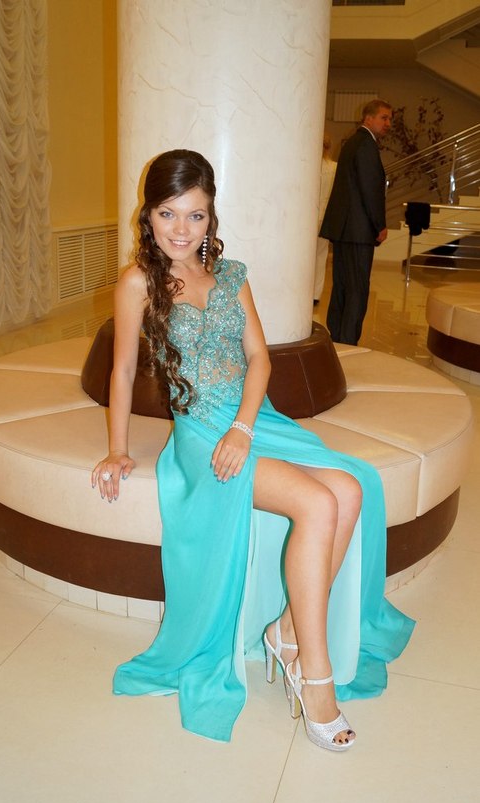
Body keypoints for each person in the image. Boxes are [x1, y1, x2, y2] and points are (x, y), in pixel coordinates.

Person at [91, 149, 414, 748]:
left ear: (211, 218)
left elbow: (260, 360)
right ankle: (315, 677)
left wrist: (243, 427)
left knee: (350, 487)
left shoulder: (231, 275)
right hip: (199, 433)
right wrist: (117, 449)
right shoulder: (138, 282)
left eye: (195, 215)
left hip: (251, 420)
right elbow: (124, 369)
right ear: (148, 214)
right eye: (168, 213)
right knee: (318, 502)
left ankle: (286, 629)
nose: (181, 230)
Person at [320, 100, 392, 345]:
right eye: (383, 118)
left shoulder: (352, 142)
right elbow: (370, 190)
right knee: (357, 288)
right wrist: (379, 225)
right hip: (358, 231)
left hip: (345, 229)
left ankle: (338, 336)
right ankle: (349, 340)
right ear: (368, 118)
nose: (388, 123)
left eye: (389, 119)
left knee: (342, 285)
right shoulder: (365, 145)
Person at [313, 133, 337, 305]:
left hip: (309, 218)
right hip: (326, 217)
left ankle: (304, 291)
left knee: (306, 256)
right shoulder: (335, 167)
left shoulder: (309, 166)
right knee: (321, 256)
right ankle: (315, 294)